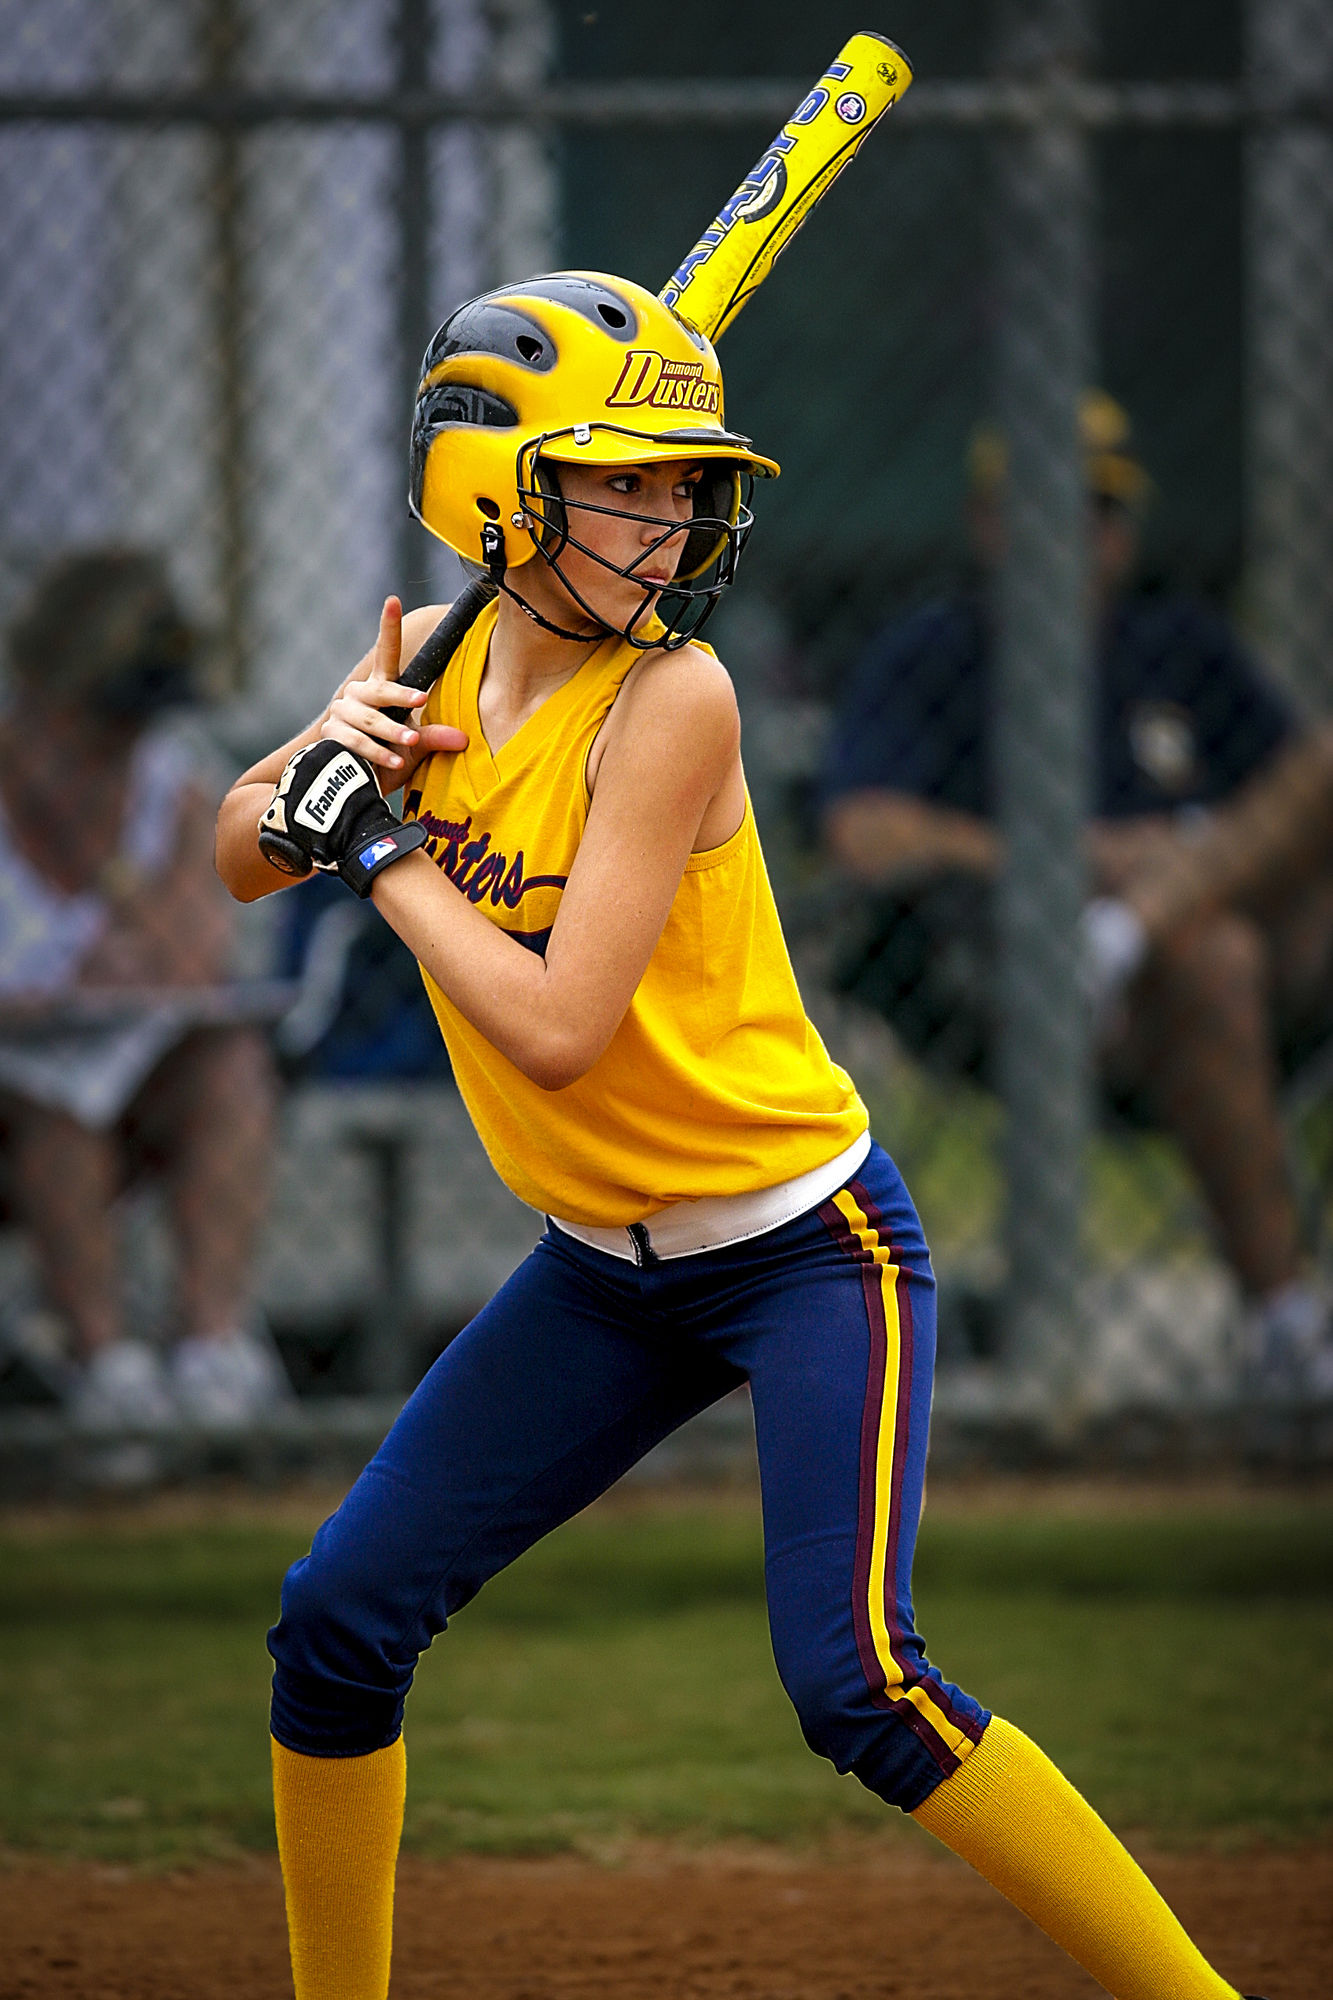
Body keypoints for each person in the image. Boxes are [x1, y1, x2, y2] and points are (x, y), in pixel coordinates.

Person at [217, 276, 1266, 2000]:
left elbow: (556, 1030)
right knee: (336, 1624)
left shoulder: (672, 699)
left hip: (798, 1246)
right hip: (596, 1274)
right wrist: (313, 771)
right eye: (623, 480)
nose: (676, 514)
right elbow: (232, 846)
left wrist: (380, 856)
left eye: (681, 482)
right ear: (499, 494)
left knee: (853, 1680)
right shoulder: (428, 653)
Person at [823, 393, 1333, 1396]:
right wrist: (1081, 858)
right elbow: (864, 835)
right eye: (1045, 506)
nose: (1076, 535)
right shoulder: (937, 650)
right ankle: (1287, 1323)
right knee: (1206, 952)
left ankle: (1129, 934)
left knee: (1249, 884)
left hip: (1258, 963)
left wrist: (1178, 871)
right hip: (1017, 980)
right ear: (986, 521)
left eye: (1098, 509)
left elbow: (1292, 800)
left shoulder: (1178, 644)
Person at [0, 549, 286, 1427]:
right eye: (101, 723)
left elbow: (197, 960)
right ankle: (104, 1364)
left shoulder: (169, 781)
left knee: (229, 1062)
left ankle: (211, 1352)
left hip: (130, 1082)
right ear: (44, 697)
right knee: (58, 1099)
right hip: (20, 1094)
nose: (123, 747)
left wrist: (130, 902)